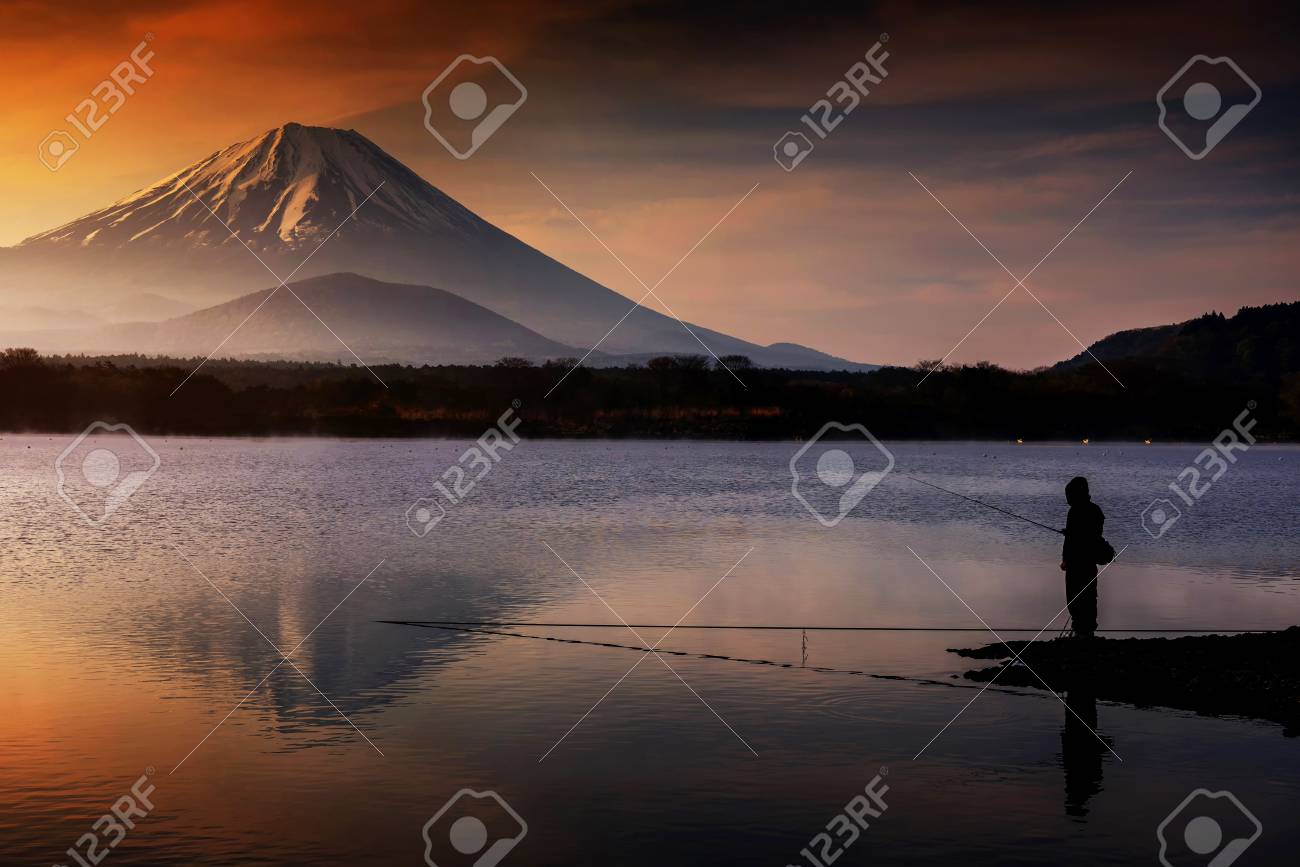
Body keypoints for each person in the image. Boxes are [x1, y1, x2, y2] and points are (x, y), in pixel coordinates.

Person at [1060, 476, 1104, 639]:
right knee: (1088, 595)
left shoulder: (1076, 511)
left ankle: (1081, 631)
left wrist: (1066, 558)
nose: (1067, 500)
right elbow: (1094, 535)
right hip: (1088, 562)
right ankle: (1085, 630)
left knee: (1075, 596)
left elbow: (1077, 539)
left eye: (1069, 496)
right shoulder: (1095, 510)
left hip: (1078, 562)